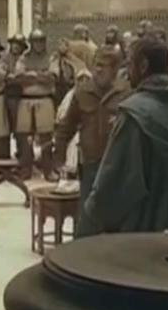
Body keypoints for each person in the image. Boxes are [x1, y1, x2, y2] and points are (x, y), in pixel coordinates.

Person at [84, 37, 168, 235]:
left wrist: (93, 212)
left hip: (150, 241)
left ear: (143, 66)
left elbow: (112, 186)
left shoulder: (134, 115)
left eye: (130, 64)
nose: (127, 73)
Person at [53, 47, 130, 237]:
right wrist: (59, 155)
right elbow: (66, 127)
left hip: (118, 167)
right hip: (91, 165)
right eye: (96, 65)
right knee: (87, 218)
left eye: (104, 66)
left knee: (117, 219)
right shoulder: (82, 92)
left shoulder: (126, 93)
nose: (98, 70)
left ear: (115, 69)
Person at [13, 29, 58, 178]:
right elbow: (18, 78)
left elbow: (52, 78)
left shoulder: (51, 58)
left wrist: (32, 75)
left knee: (46, 137)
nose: (39, 44)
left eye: (41, 41)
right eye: (36, 42)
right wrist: (40, 75)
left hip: (44, 99)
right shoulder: (23, 58)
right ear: (31, 43)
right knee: (24, 137)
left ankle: (48, 170)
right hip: (26, 100)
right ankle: (26, 169)